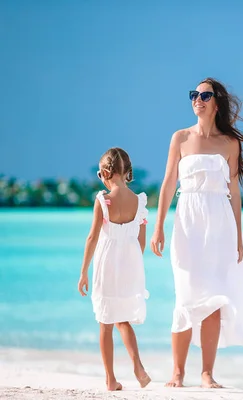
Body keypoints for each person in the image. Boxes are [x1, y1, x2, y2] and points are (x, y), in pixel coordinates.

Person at [150, 78, 243, 388]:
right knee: (185, 296)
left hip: (219, 224)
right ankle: (177, 374)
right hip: (187, 222)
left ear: (216, 102)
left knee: (214, 299)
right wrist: (158, 227)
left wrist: (237, 236)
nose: (198, 99)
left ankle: (207, 374)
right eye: (194, 94)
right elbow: (169, 183)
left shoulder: (229, 144)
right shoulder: (180, 138)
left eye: (205, 95)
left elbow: (233, 191)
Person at [77, 147, 151, 391]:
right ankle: (138, 368)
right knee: (123, 320)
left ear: (106, 172)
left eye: (100, 174)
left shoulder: (103, 200)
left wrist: (83, 272)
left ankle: (110, 379)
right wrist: (131, 265)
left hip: (107, 262)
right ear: (127, 172)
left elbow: (92, 238)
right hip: (131, 265)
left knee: (105, 322)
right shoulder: (140, 201)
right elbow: (141, 242)